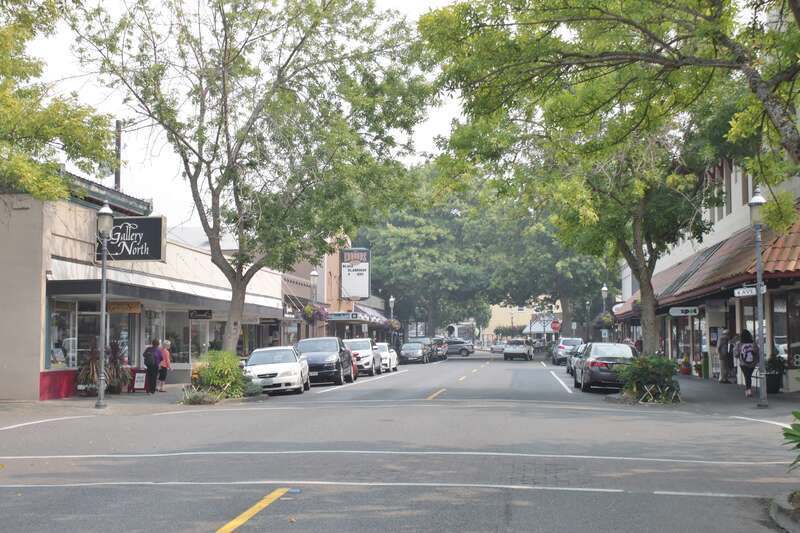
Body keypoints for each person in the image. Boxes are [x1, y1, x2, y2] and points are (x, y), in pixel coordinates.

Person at [735, 329, 760, 398]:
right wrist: (757, 361)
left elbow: (736, 354)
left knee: (747, 376)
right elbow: (757, 352)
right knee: (748, 376)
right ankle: (748, 390)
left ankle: (748, 390)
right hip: (752, 363)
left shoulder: (739, 344)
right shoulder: (753, 343)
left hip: (743, 363)